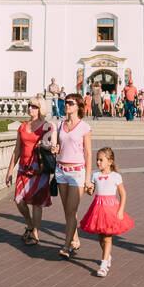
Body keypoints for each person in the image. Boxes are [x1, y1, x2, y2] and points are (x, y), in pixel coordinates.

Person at [5, 97, 55, 245]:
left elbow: (52, 145)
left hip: (39, 169)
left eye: (34, 106)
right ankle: (30, 223)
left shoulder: (47, 127)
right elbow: (17, 149)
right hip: (23, 168)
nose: (30, 108)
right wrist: (9, 171)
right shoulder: (22, 126)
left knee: (37, 202)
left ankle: (34, 232)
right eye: (29, 106)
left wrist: (45, 144)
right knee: (19, 200)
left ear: (41, 109)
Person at [80, 146, 134, 277]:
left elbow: (123, 194)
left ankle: (103, 264)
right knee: (100, 236)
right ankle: (107, 255)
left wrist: (121, 210)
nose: (98, 162)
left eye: (101, 160)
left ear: (110, 161)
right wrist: (89, 189)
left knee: (108, 237)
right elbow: (91, 192)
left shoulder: (116, 176)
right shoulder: (95, 175)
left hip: (111, 209)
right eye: (97, 160)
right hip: (98, 208)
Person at [51, 93, 92, 258]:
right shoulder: (60, 125)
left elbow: (88, 153)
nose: (66, 105)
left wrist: (88, 179)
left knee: (71, 208)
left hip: (76, 172)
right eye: (66, 102)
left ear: (78, 106)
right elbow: (58, 146)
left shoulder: (84, 127)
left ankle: (67, 245)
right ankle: (75, 238)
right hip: (61, 171)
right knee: (67, 211)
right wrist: (54, 149)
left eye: (70, 103)